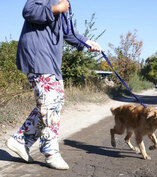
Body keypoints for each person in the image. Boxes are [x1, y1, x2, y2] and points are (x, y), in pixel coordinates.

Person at [6, 0, 102, 170]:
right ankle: (50, 151)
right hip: (37, 54)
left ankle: (21, 140)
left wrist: (87, 42)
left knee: (54, 102)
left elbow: (67, 32)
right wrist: (57, 8)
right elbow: (29, 10)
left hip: (49, 59)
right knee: (49, 104)